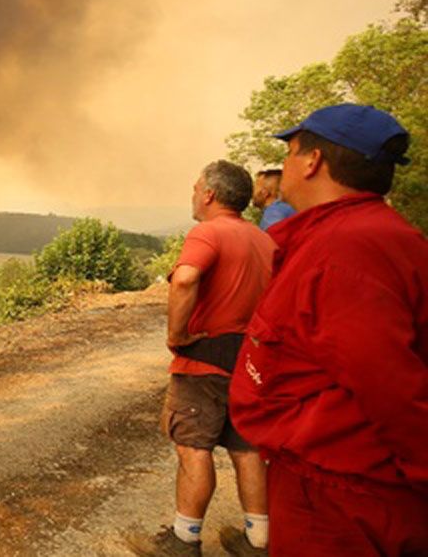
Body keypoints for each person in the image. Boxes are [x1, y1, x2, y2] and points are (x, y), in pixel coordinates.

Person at [230, 103, 428, 556]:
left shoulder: (346, 252)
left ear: (312, 161)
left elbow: (392, 387)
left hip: (339, 499)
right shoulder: (367, 236)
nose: (285, 168)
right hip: (341, 487)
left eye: (291, 153)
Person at [128, 160, 276, 557]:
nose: (193, 194)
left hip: (205, 359)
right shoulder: (265, 241)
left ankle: (184, 539)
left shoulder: (207, 232)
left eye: (196, 188)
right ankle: (258, 542)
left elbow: (186, 277)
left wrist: (177, 335)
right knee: (247, 449)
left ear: (210, 194)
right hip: (252, 363)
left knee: (194, 447)